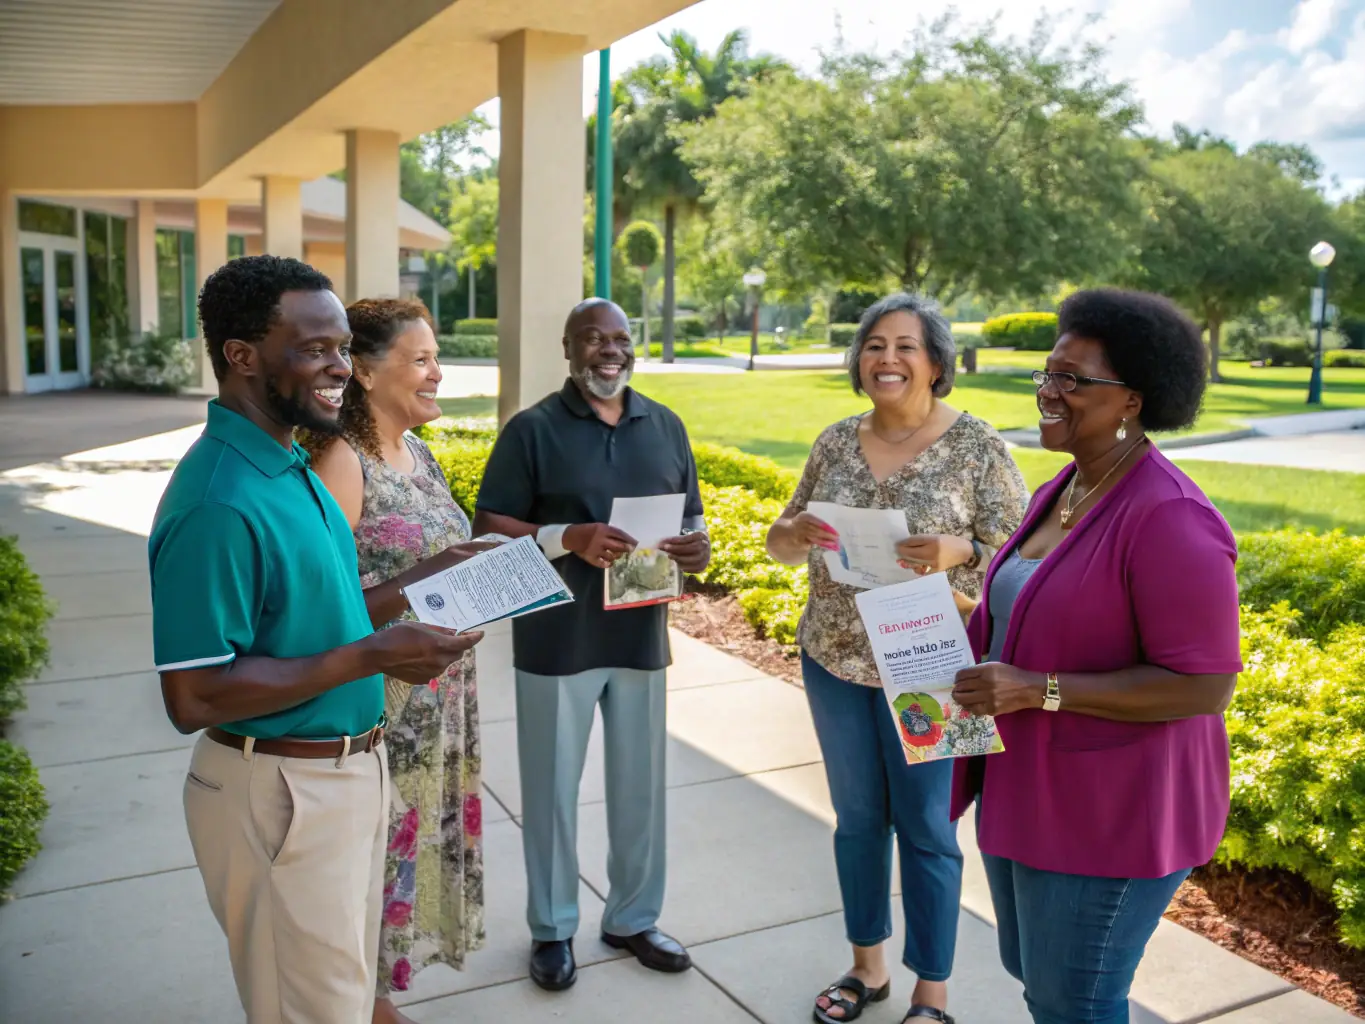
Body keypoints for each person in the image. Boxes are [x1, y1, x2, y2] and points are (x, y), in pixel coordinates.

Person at [148, 255, 483, 1024]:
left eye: (342, 347)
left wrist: (432, 575)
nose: (341, 368)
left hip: (347, 774)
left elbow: (327, 615)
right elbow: (193, 695)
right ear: (241, 356)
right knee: (309, 1010)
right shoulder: (218, 502)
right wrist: (370, 658)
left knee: (345, 996)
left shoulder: (292, 463)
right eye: (315, 349)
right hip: (278, 793)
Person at [949, 288, 1243, 1024]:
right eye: (1046, 375)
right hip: (1028, 789)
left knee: (1073, 999)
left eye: (1072, 380)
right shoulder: (1062, 488)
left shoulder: (1169, 516)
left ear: (1132, 401)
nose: (1049, 391)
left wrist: (1038, 690)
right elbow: (1020, 618)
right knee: (1037, 978)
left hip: (1112, 812)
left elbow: (1203, 686)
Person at [766, 293, 1027, 1024]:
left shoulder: (977, 446)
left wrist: (962, 552)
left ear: (935, 363)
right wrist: (794, 533)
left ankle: (931, 993)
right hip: (834, 659)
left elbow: (1021, 557)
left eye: (905, 346)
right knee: (855, 820)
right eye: (874, 345)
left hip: (929, 664)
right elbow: (780, 540)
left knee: (926, 828)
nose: (886, 358)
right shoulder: (834, 442)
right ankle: (866, 970)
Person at [472, 297, 710, 991]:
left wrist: (695, 547)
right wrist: (564, 537)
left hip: (640, 633)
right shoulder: (533, 429)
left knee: (641, 788)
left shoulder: (663, 424)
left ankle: (632, 918)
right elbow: (490, 522)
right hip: (555, 636)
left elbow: (686, 513)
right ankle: (551, 927)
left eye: (620, 338)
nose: (609, 349)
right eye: (592, 339)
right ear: (569, 351)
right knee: (550, 791)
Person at [302, 298, 491, 1024]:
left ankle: (375, 1000)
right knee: (374, 855)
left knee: (407, 847)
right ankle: (362, 1006)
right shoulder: (339, 462)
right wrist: (438, 571)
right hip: (383, 706)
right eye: (420, 360)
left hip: (441, 696)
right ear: (365, 372)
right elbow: (324, 610)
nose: (437, 372)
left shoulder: (420, 454)